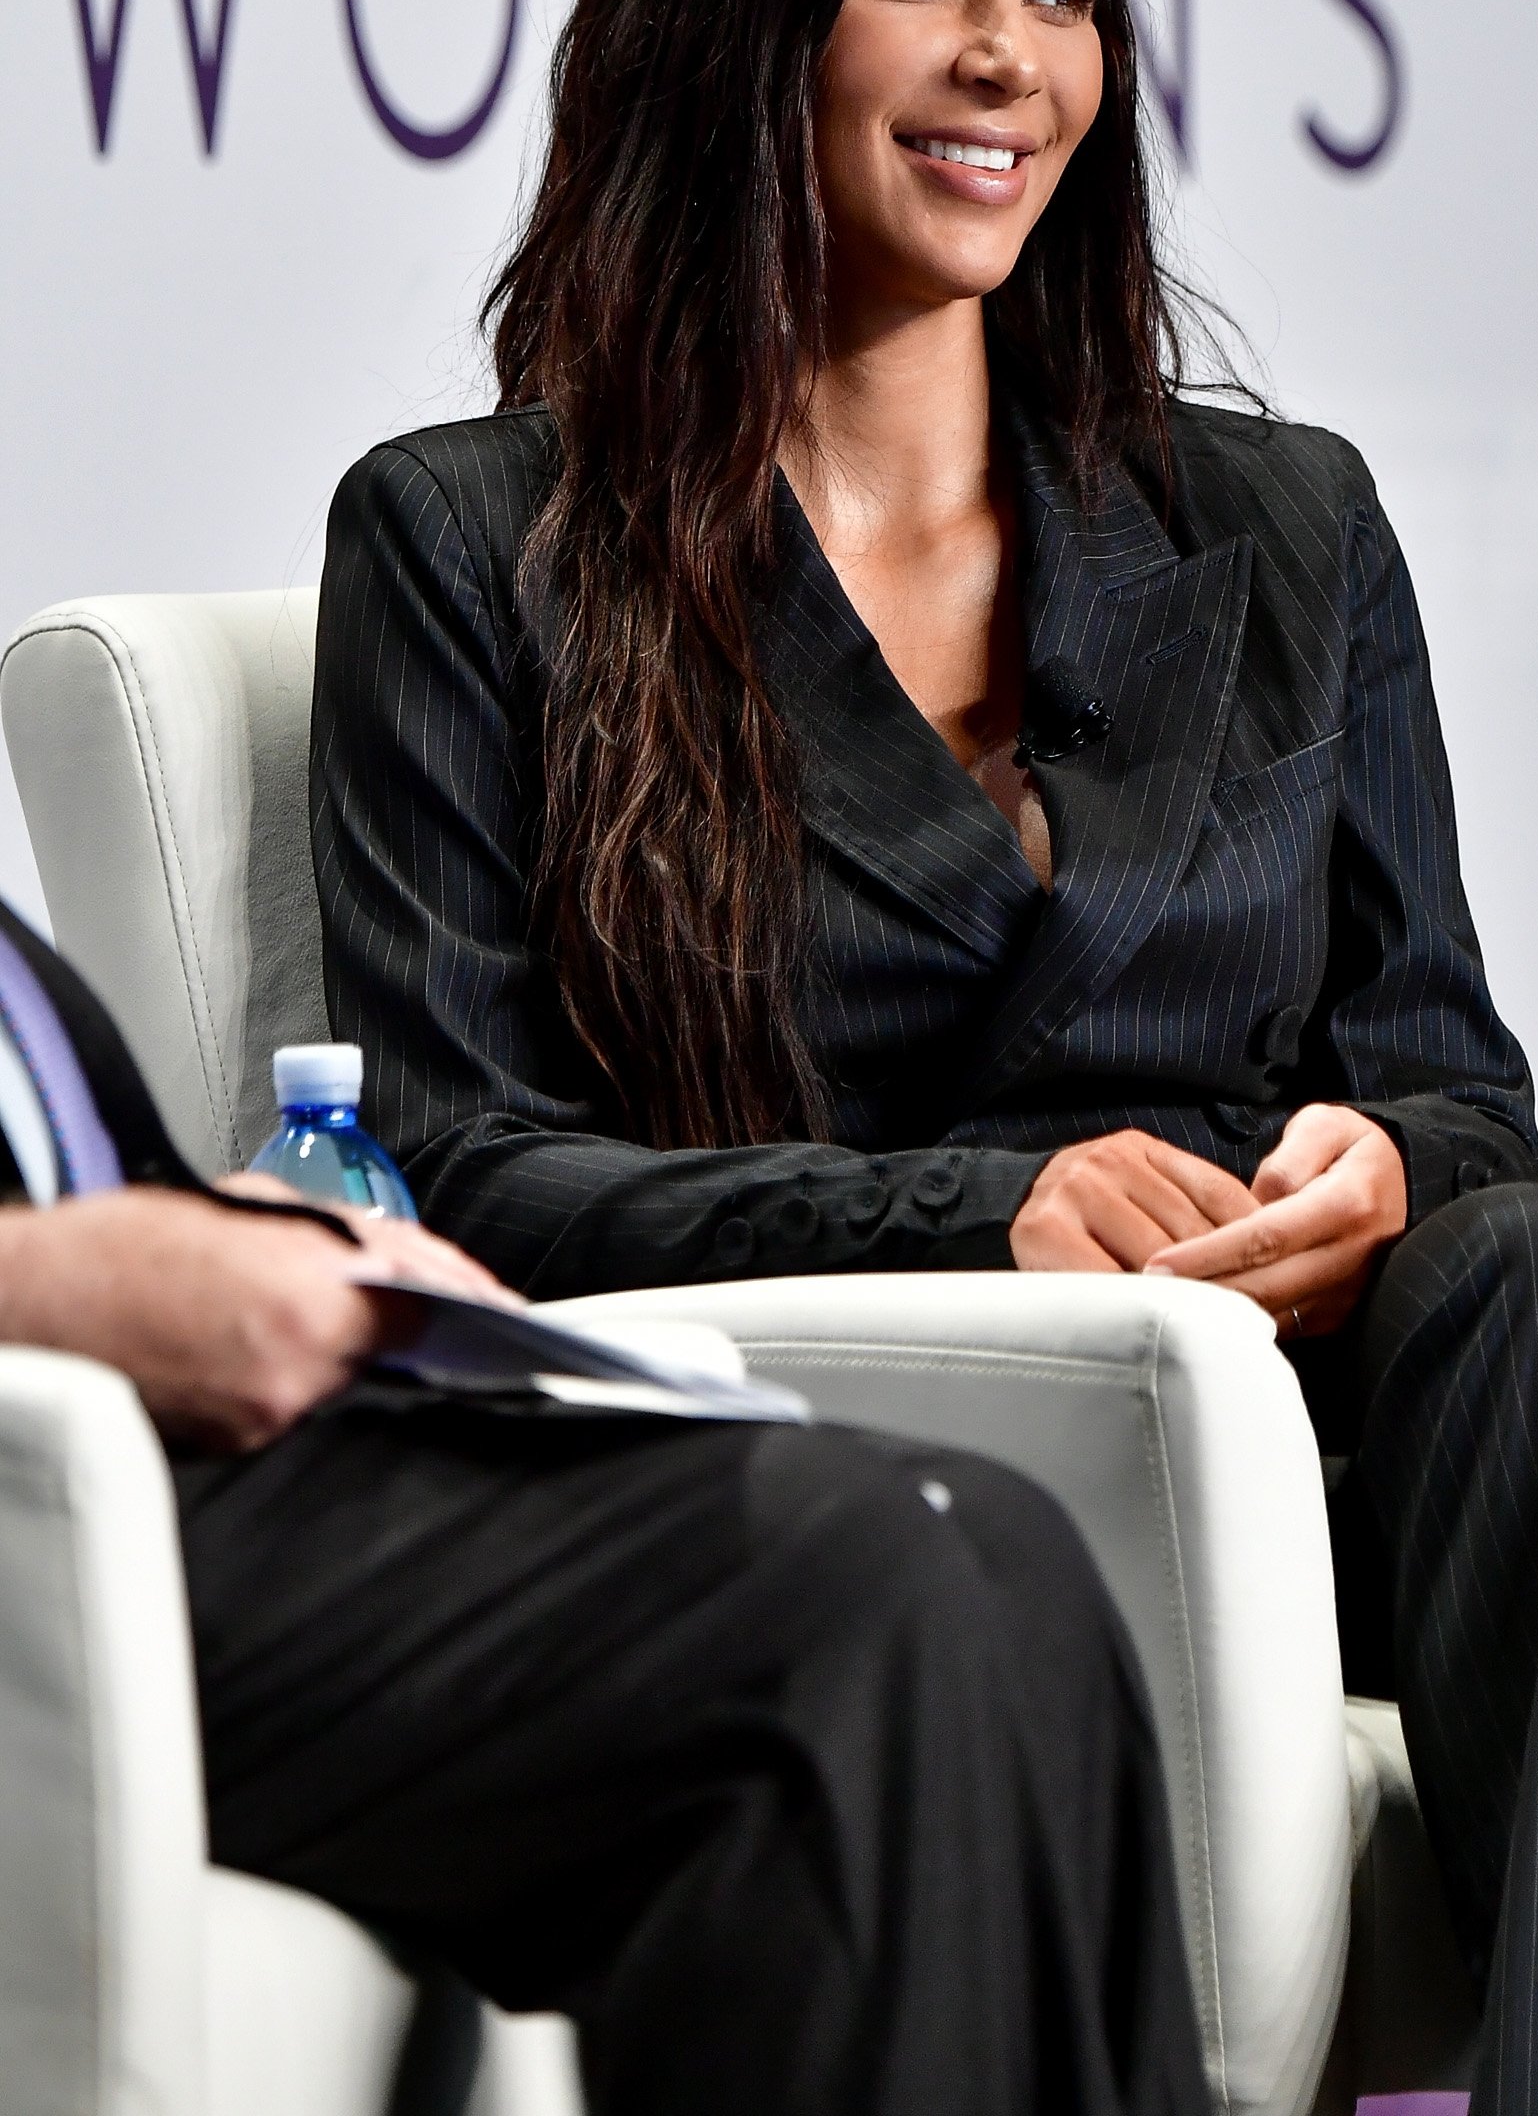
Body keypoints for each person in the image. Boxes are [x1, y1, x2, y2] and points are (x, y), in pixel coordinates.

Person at [314, 0, 1538, 2116]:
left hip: (1370, 1457)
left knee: (1537, 1256)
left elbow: (1449, 1079)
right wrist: (996, 1219)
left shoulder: (1284, 524)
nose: (1010, 54)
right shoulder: (476, 544)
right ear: (733, 19)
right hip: (924, 1460)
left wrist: (1385, 1171)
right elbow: (459, 1171)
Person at [0, 892, 1207, 2116]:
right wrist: (74, 1274)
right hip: (60, 1507)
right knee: (830, 1598)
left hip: (179, 1458)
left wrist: (218, 1223)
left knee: (1008, 1549)